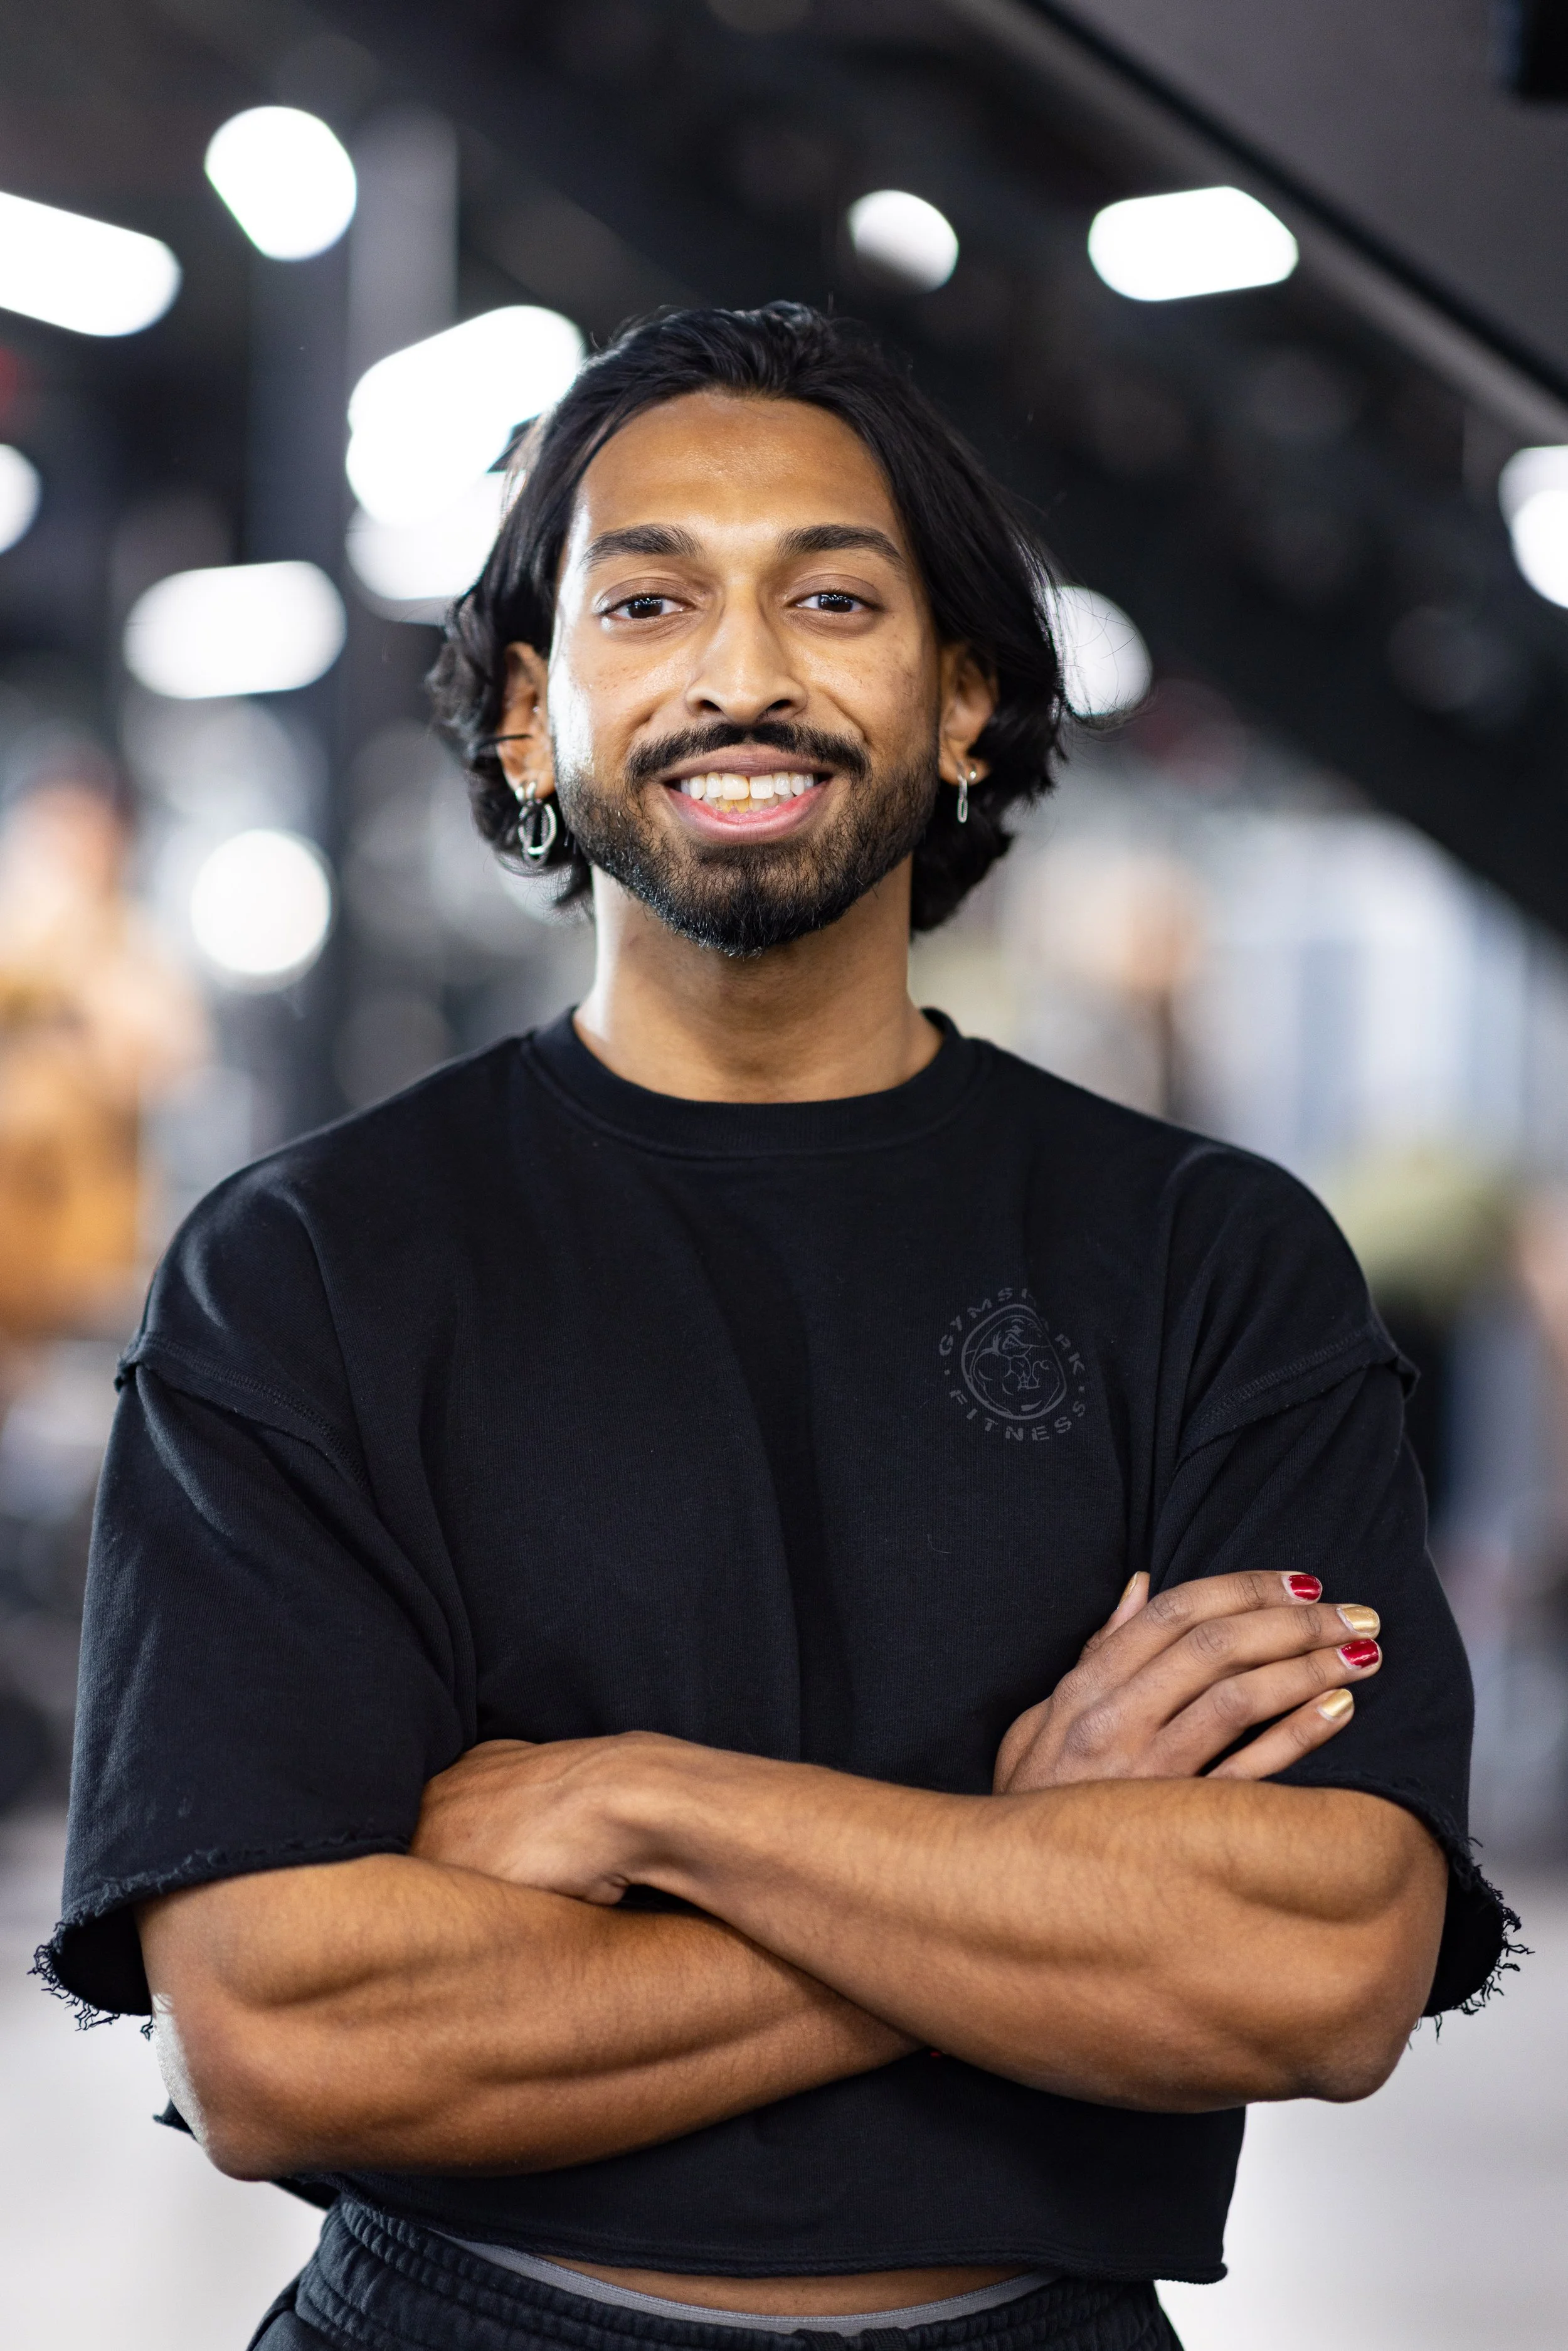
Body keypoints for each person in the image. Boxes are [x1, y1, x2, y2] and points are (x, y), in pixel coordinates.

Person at [44, 305, 1510, 2351]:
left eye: (833, 596)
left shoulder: (1205, 1255)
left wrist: (648, 1802)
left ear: (967, 702)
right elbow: (283, 2038)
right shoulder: (312, 1263)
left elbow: (1317, 1973)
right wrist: (1015, 1872)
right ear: (531, 719)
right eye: (650, 600)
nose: (743, 673)